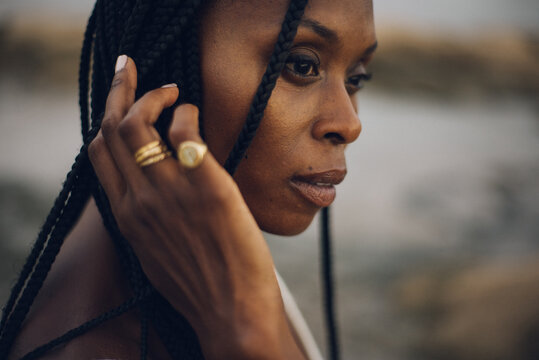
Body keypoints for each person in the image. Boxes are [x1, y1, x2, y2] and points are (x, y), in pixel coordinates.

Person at [0, 0, 377, 358]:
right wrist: (251, 339)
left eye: (356, 77)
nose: (349, 123)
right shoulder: (98, 349)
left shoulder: (203, 245)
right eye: (301, 64)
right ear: (164, 68)